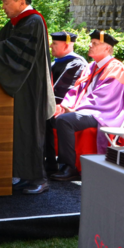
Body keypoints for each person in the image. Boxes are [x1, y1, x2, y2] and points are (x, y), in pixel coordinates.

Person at [0, 0, 54, 195]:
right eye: (2, 3)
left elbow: (15, 49)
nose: (3, 7)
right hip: (20, 86)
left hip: (30, 86)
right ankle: (20, 175)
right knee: (18, 132)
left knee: (30, 131)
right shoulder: (16, 22)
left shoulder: (33, 21)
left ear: (21, 1)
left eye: (6, 2)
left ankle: (38, 178)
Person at [51, 30, 124, 182]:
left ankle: (70, 167)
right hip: (87, 109)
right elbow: (76, 90)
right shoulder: (91, 66)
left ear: (107, 48)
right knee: (50, 115)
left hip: (103, 114)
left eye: (95, 43)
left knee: (65, 120)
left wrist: (76, 109)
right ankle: (51, 162)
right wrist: (67, 105)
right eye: (91, 42)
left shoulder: (115, 68)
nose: (90, 45)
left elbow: (105, 97)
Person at [44, 32, 87, 175]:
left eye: (54, 43)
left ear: (66, 45)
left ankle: (55, 162)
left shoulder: (76, 63)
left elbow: (63, 91)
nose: (51, 45)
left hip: (68, 105)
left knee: (45, 116)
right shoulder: (56, 62)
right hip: (54, 103)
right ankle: (46, 160)